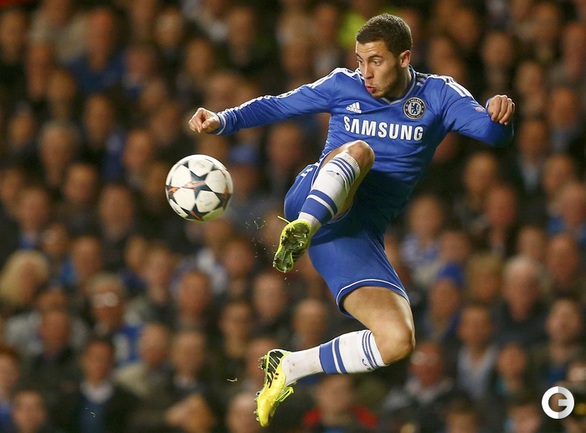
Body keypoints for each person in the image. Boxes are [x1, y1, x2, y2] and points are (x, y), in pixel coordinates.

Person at [189, 13, 515, 427]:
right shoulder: (343, 84)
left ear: (404, 58)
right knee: (360, 151)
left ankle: (290, 366)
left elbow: (492, 135)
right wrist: (223, 120)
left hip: (353, 236)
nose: (366, 73)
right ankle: (303, 227)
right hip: (312, 196)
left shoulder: (438, 95)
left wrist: (500, 113)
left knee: (397, 340)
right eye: (360, 61)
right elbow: (279, 104)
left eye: (376, 61)